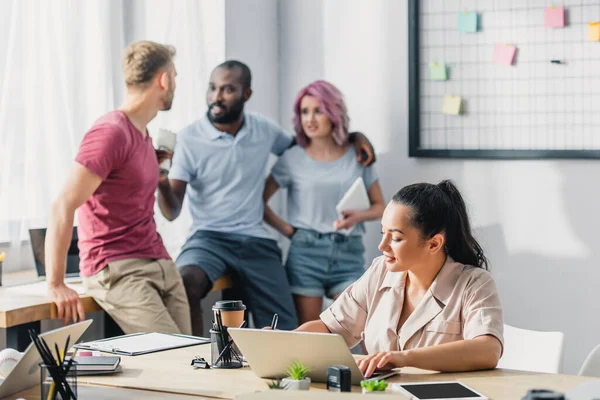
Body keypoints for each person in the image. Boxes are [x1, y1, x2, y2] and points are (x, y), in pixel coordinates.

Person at [157, 60, 376, 336]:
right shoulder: (189, 138)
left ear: (246, 94)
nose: (217, 97)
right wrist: (161, 182)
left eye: (227, 89)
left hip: (255, 240)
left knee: (283, 324)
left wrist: (354, 136)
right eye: (212, 88)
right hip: (208, 237)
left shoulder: (263, 130)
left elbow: (309, 146)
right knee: (185, 281)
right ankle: (196, 360)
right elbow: (171, 211)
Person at [45, 40, 191, 335]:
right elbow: (63, 204)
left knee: (195, 359)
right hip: (119, 269)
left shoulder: (143, 135)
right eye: (174, 76)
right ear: (163, 79)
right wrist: (56, 283)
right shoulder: (111, 132)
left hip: (160, 262)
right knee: (175, 360)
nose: (175, 84)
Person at [296, 180, 504, 376]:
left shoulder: (474, 283)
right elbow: (331, 328)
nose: (382, 246)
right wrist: (281, 342)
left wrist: (403, 358)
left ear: (434, 244)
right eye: (382, 233)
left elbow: (488, 350)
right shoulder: (380, 271)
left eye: (395, 238)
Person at [263, 80, 385, 325]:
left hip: (348, 253)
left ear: (333, 114)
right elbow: (259, 202)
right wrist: (289, 231)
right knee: (311, 335)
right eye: (304, 112)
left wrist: (358, 216)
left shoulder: (357, 154)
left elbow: (381, 206)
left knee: (357, 329)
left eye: (318, 111)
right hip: (305, 253)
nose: (310, 119)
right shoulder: (291, 158)